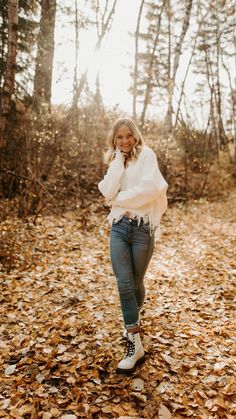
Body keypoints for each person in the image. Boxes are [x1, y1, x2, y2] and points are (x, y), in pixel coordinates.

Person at [98, 117, 168, 374]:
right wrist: (117, 161)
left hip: (142, 230)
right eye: (119, 137)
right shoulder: (116, 161)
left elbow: (151, 188)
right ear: (114, 140)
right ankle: (135, 343)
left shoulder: (147, 155)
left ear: (135, 136)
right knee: (124, 284)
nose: (124, 140)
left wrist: (121, 199)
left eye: (128, 135)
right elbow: (106, 190)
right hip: (118, 227)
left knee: (136, 283)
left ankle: (132, 319)